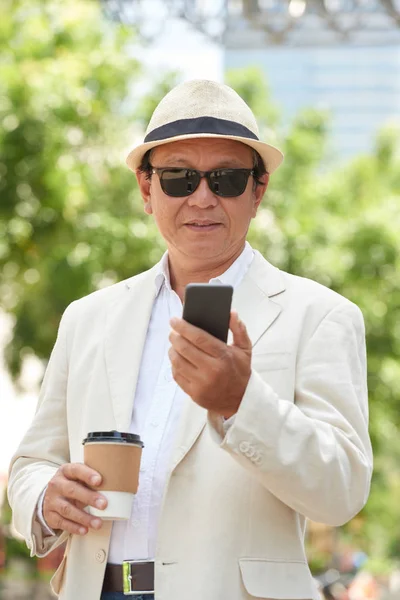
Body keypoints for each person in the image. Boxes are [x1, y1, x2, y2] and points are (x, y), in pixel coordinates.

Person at [8, 79, 373, 600]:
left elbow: (341, 491)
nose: (202, 196)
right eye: (179, 178)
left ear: (259, 190)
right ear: (145, 190)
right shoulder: (87, 318)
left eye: (225, 179)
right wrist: (46, 497)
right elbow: (30, 465)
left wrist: (241, 404)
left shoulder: (321, 316)